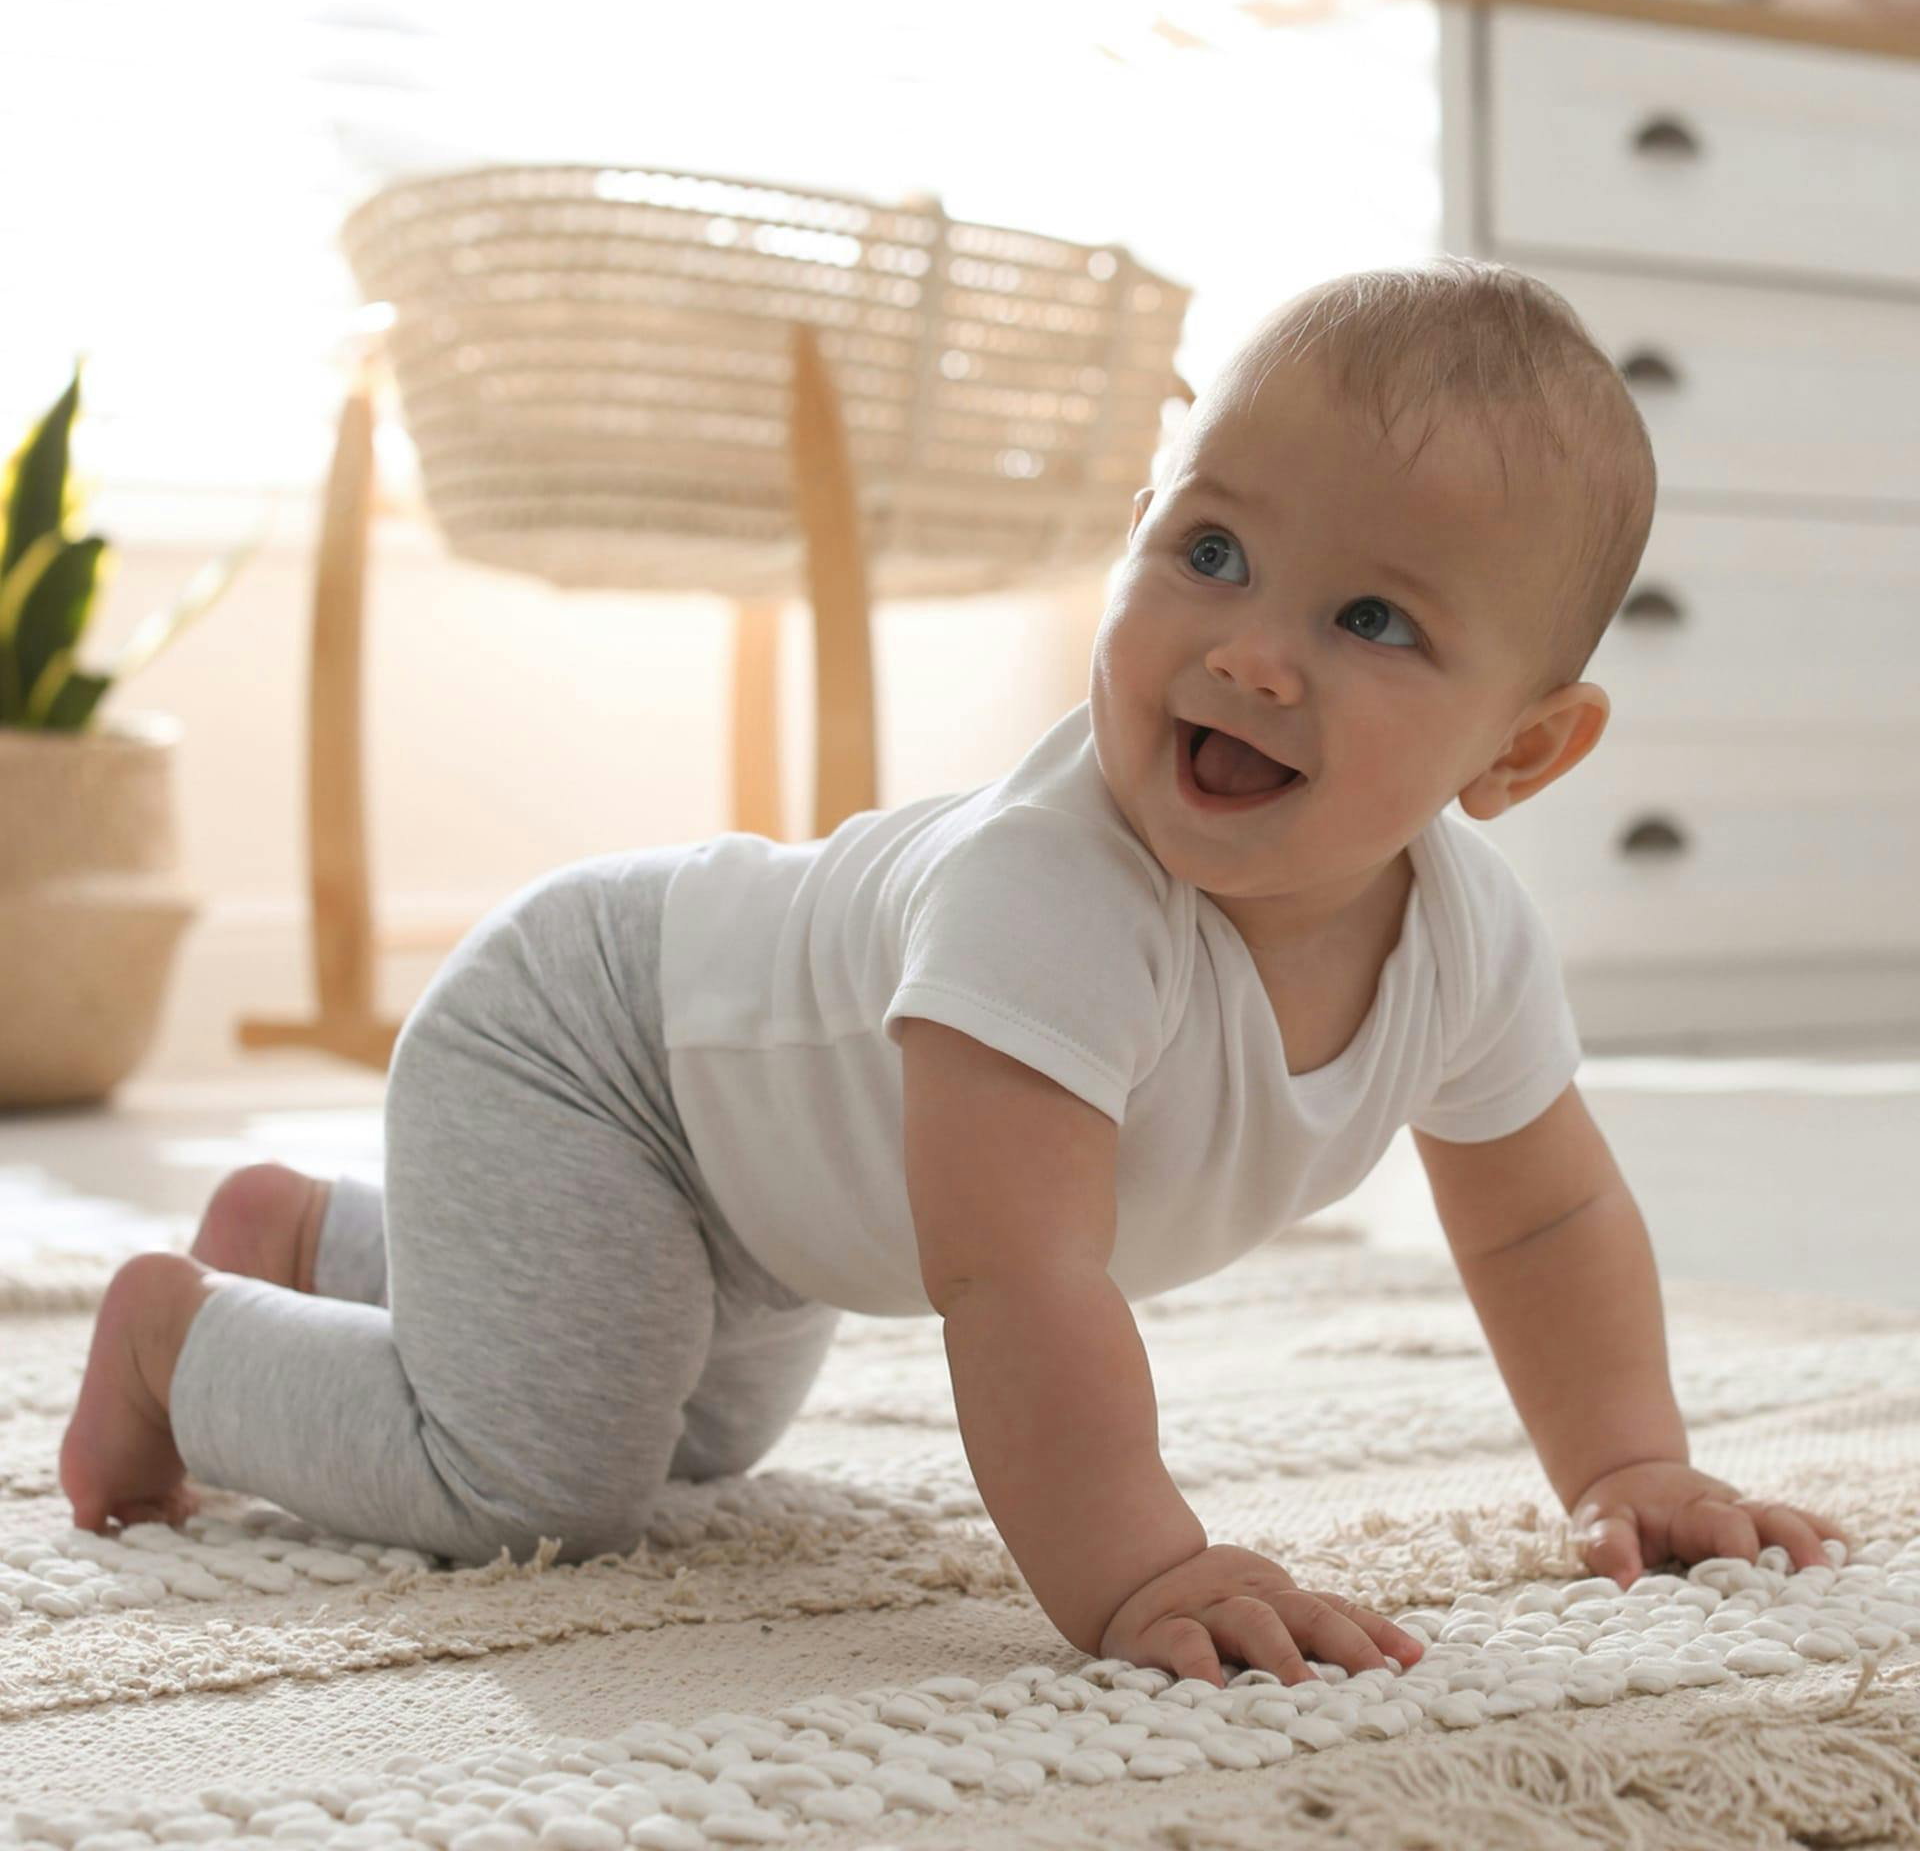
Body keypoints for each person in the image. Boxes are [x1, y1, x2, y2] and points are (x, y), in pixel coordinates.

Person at [60, 258, 1842, 1691]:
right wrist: (1139, 1564)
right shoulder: (1052, 898)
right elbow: (1015, 1276)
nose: (1248, 650)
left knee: (708, 1434)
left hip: (757, 1193)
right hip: (593, 1051)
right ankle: (180, 1342)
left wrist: (1628, 1465)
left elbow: (1542, 1221)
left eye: (1371, 621)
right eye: (1209, 551)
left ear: (1521, 756)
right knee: (548, 1484)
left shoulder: (1468, 939)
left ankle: (321, 1239)